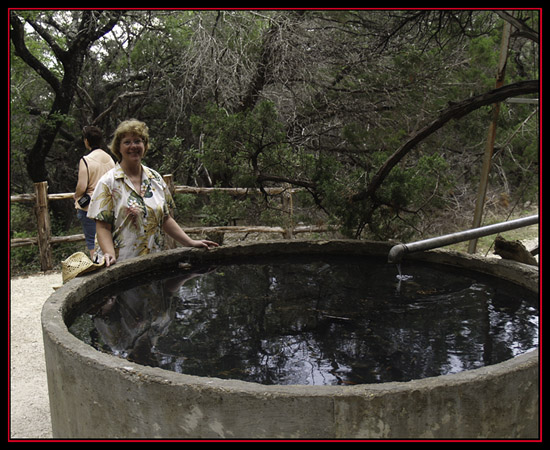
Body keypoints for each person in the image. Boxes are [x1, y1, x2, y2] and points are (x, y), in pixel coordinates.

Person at [87, 119, 218, 267]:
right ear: (119, 147)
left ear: (144, 145)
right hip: (120, 264)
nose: (133, 146)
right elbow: (102, 226)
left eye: (138, 141)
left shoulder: (155, 179)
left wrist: (190, 242)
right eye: (127, 142)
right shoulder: (108, 182)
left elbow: (165, 218)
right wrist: (109, 254)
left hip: (152, 262)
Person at [74, 126, 115, 259]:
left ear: (86, 141)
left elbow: (82, 185)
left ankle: (96, 263)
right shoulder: (110, 159)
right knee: (110, 240)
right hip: (108, 204)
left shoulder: (86, 160)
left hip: (90, 206)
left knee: (93, 243)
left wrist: (77, 196)